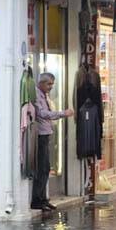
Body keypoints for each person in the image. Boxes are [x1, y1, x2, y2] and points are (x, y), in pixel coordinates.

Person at [33, 72, 74, 211]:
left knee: (45, 168)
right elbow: (42, 113)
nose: (51, 87)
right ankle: (37, 200)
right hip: (40, 135)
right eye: (49, 84)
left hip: (46, 133)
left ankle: (43, 199)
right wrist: (63, 113)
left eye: (52, 84)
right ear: (42, 83)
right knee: (42, 168)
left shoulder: (44, 95)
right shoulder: (37, 95)